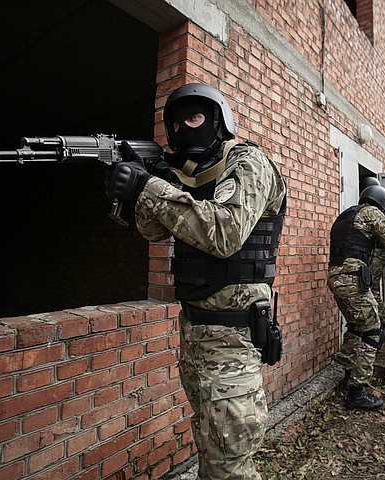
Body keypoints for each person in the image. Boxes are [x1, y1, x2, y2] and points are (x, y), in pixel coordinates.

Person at [105, 83, 287, 480]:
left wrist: (148, 187)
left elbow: (225, 234)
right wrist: (144, 186)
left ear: (219, 120)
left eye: (195, 117)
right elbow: (154, 232)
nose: (184, 128)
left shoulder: (249, 163)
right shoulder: (189, 176)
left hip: (233, 338)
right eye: (176, 123)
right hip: (195, 332)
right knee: (211, 448)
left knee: (230, 464)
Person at [327, 185, 385, 410]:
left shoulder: (346, 215)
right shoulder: (372, 213)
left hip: (336, 277)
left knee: (356, 327)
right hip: (352, 279)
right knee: (372, 332)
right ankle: (357, 393)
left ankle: (347, 373)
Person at [359, 177, 385, 341]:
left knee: (371, 288)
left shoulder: (381, 209)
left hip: (380, 251)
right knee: (372, 288)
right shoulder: (383, 205)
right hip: (379, 251)